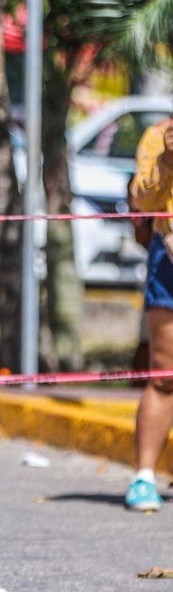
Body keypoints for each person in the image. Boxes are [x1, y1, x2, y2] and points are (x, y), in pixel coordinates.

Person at [126, 119, 173, 511]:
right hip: (168, 258)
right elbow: (142, 201)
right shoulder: (159, 135)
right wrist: (168, 160)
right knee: (164, 373)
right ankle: (144, 476)